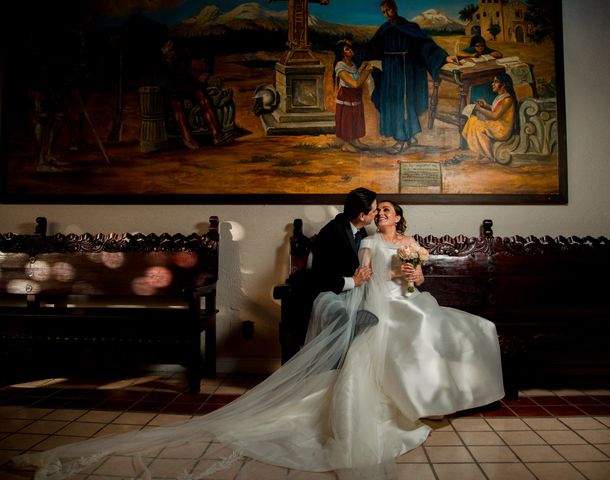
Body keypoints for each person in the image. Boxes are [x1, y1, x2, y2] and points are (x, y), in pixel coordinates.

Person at [10, 198, 504, 480]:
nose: (383, 215)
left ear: (401, 217)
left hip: (407, 299)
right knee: (396, 332)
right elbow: (361, 275)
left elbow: (419, 280)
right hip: (377, 303)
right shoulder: (366, 242)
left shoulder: (412, 245)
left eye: (389, 211)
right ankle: (406, 406)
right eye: (378, 211)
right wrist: (366, 274)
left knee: (461, 325)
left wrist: (414, 278)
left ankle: (430, 400)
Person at [358, 0, 457, 154]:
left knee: (404, 104)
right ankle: (407, 136)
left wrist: (444, 57)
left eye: (388, 10)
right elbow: (372, 48)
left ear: (395, 8)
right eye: (383, 12)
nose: (386, 14)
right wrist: (358, 56)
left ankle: (402, 139)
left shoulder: (410, 27)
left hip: (406, 71)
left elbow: (425, 46)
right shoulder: (384, 29)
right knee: (394, 103)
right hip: (390, 71)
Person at [158, 40, 232, 150]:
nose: (173, 54)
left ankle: (217, 135)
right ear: (165, 54)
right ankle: (187, 139)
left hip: (187, 84)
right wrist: (167, 67)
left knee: (204, 98)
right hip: (170, 88)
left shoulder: (184, 53)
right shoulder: (161, 63)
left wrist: (207, 72)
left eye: (174, 51)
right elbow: (161, 83)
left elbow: (208, 52)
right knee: (176, 104)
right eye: (170, 52)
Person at [462, 73, 518, 161]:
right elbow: (495, 109)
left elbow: (495, 116)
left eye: (496, 82)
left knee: (478, 126)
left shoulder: (507, 99)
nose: (492, 84)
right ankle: (480, 151)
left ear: (503, 85)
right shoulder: (501, 97)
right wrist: (486, 105)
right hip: (497, 124)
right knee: (472, 120)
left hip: (502, 128)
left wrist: (480, 109)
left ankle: (488, 155)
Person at [333, 39, 375, 152]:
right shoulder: (340, 66)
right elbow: (355, 83)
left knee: (356, 118)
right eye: (347, 49)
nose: (351, 50)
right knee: (347, 119)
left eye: (350, 48)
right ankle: (346, 143)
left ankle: (355, 140)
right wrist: (366, 72)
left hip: (355, 96)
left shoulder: (352, 63)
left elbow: (356, 76)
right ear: (342, 53)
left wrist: (362, 67)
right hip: (346, 96)